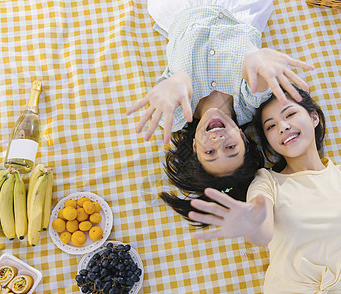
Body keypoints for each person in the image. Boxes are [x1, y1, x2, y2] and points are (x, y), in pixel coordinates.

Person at [187, 35, 341, 294]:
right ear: (268, 140)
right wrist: (251, 223)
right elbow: (263, 228)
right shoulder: (267, 181)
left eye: (290, 114)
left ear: (313, 117)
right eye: (270, 126)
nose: (282, 126)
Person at [126, 2, 314, 220]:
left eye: (210, 152)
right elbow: (255, 71)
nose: (217, 140)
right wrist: (259, 60)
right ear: (243, 137)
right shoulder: (247, 105)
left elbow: (180, 84)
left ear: (195, 146)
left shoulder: (176, 115)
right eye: (231, 147)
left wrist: (175, 83)